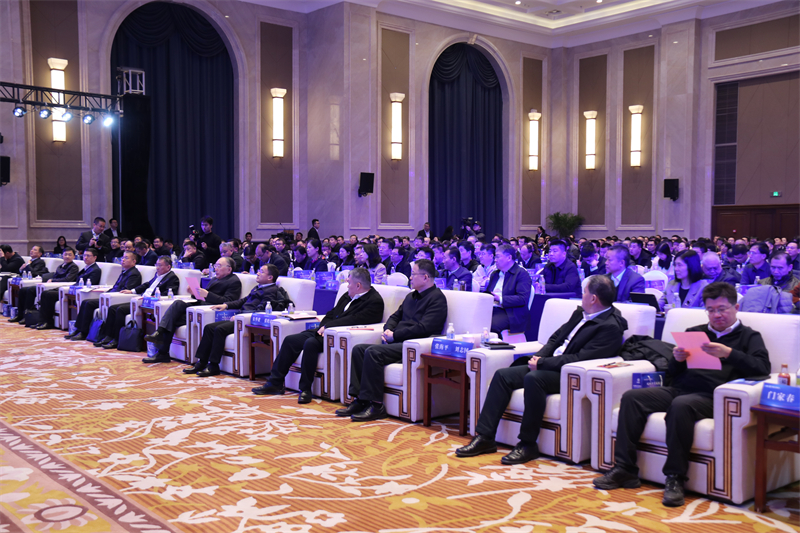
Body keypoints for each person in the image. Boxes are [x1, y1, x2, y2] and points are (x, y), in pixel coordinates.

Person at [594, 282, 770, 507]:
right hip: (680, 388)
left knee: (681, 405)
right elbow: (672, 372)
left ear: (736, 307)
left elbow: (762, 368)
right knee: (632, 398)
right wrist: (676, 360)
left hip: (713, 396)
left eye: (722, 309)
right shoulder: (695, 333)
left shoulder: (749, 337)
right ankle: (625, 468)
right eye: (711, 310)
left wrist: (729, 353)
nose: (717, 315)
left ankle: (675, 477)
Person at [457, 275, 626, 463]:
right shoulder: (580, 313)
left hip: (569, 375)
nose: (582, 296)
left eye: (584, 292)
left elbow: (581, 358)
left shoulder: (610, 326)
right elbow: (555, 338)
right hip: (549, 364)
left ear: (593, 298)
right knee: (503, 376)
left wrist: (543, 364)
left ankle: (527, 444)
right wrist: (539, 358)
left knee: (534, 378)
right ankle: (485, 437)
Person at [337, 260, 447, 421]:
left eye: (413, 274)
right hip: (398, 340)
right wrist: (388, 330)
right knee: (359, 349)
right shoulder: (410, 296)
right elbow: (395, 317)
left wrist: (395, 335)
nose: (410, 277)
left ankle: (376, 406)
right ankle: (360, 400)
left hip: (414, 344)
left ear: (425, 277)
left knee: (373, 352)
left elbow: (425, 328)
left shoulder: (437, 299)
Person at [253, 267, 384, 401]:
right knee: (290, 340)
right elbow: (331, 313)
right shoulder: (348, 295)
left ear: (358, 285)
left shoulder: (374, 301)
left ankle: (305, 389)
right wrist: (323, 326)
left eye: (349, 282)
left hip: (338, 336)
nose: (347, 285)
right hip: (324, 331)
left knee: (310, 343)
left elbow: (355, 320)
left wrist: (328, 327)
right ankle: (275, 382)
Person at [186, 264, 293, 376]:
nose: (257, 273)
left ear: (270, 277)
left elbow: (262, 309)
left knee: (220, 329)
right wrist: (226, 305)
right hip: (240, 317)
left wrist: (241, 316)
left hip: (248, 320)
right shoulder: (258, 287)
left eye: (261, 271)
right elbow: (243, 301)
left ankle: (213, 366)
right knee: (209, 327)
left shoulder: (271, 290)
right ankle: (201, 362)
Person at [142, 257, 242, 363]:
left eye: (219, 266)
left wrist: (207, 294)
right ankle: (160, 334)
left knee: (172, 320)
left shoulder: (234, 281)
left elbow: (228, 301)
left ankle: (162, 350)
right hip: (198, 306)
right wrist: (194, 293)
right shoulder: (214, 279)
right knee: (177, 304)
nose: (215, 268)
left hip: (209, 311)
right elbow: (202, 297)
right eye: (215, 266)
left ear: (229, 269)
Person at [93, 255, 181, 349]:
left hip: (149, 303)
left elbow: (169, 293)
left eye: (160, 265)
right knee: (113, 308)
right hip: (141, 300)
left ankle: (117, 340)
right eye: (156, 265)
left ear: (168, 267)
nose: (157, 267)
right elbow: (147, 285)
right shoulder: (158, 275)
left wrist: (151, 298)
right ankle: (108, 337)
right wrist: (132, 291)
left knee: (120, 310)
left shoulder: (172, 278)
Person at [64, 251, 143, 341]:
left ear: (134, 261)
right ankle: (79, 329)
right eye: (122, 258)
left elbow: (125, 290)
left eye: (126, 258)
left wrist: (108, 295)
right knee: (85, 302)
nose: (123, 260)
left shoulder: (134, 274)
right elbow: (115, 287)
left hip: (116, 299)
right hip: (109, 296)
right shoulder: (124, 272)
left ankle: (84, 332)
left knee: (89, 304)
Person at [9, 247, 81, 325]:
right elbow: (55, 276)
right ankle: (20, 315)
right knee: (24, 290)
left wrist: (53, 281)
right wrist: (51, 280)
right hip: (51, 284)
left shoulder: (73, 267)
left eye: (70, 255)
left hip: (58, 286)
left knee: (32, 290)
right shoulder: (61, 266)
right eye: (65, 254)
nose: (67, 256)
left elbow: (68, 279)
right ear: (62, 255)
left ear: (74, 256)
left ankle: (31, 318)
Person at [35, 248, 102, 330]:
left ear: (95, 257)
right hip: (73, 288)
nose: (85, 257)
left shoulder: (95, 269)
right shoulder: (86, 267)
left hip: (79, 291)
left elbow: (90, 284)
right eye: (84, 255)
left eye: (88, 256)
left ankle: (48, 322)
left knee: (49, 294)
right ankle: (42, 321)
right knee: (46, 293)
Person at [485, 245, 532, 335]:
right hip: (493, 308)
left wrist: (500, 299)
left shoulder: (521, 274)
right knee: (473, 318)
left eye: (498, 257)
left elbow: (522, 298)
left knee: (491, 324)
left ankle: (494, 343)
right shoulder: (495, 274)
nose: (495, 260)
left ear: (509, 258)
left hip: (512, 313)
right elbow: (488, 293)